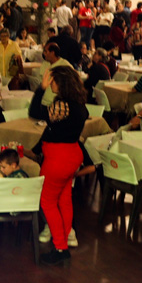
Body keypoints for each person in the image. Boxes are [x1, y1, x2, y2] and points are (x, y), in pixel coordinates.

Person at [28, 66, 88, 263]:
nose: (50, 83)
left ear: (61, 83)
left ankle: (60, 248)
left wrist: (41, 89)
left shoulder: (63, 105)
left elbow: (34, 112)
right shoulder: (79, 103)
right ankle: (64, 240)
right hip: (72, 155)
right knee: (64, 199)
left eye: (52, 80)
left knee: (47, 201)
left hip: (58, 158)